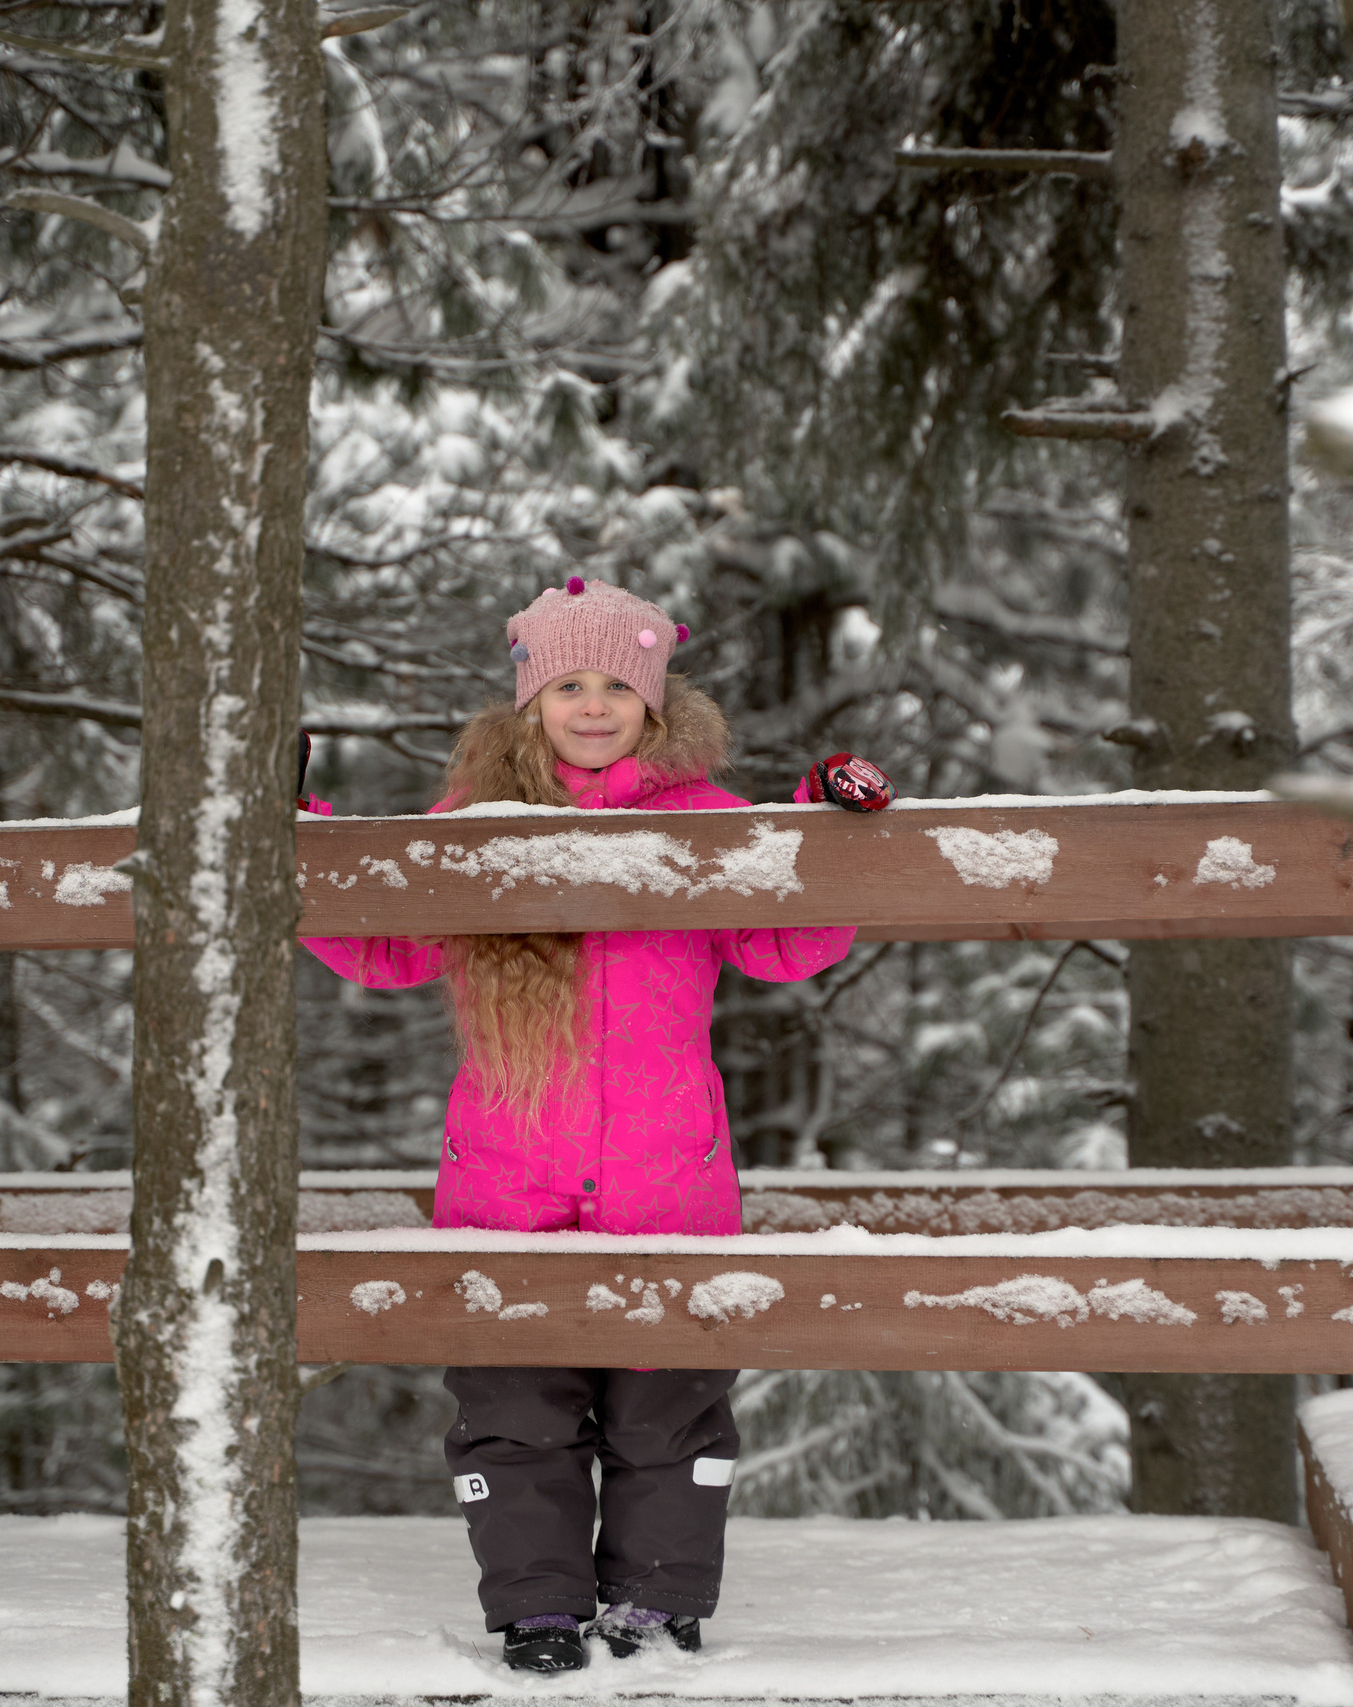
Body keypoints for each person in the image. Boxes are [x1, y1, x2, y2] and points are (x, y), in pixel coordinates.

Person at [300, 577, 890, 1673]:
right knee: (513, 1414)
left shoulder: (706, 821)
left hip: (669, 1177)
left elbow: (785, 946)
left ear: (653, 700)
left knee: (668, 1413)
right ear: (530, 698)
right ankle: (540, 1609)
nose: (591, 704)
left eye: (617, 683)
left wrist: (823, 834)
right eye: (567, 682)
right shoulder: (475, 824)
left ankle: (656, 1607)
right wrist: (306, 839)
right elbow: (388, 948)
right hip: (506, 1186)